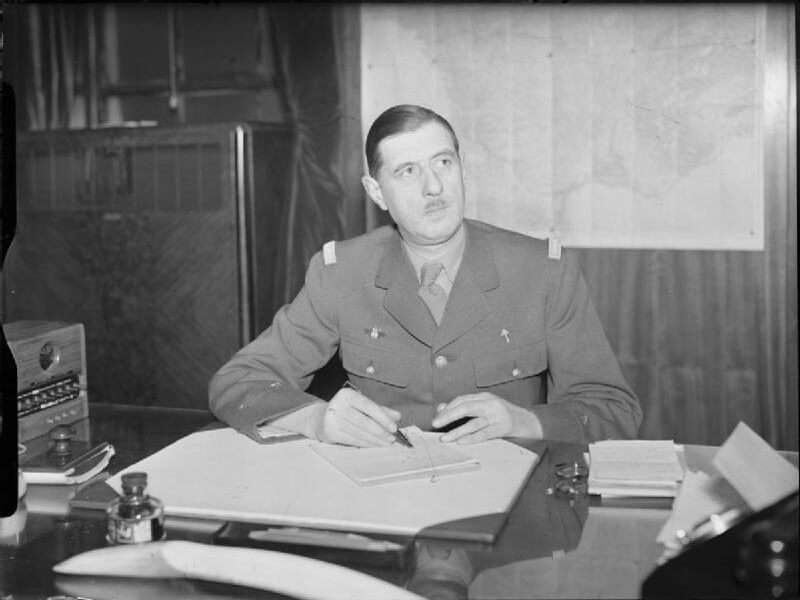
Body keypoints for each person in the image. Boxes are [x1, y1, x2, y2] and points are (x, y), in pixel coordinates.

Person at [209, 104, 642, 447]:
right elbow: (236, 383)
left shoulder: (541, 271)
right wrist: (316, 418)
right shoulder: (341, 275)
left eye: (443, 163)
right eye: (408, 171)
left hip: (509, 510)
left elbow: (614, 410)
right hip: (388, 510)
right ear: (377, 192)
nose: (433, 187)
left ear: (462, 167)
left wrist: (526, 420)